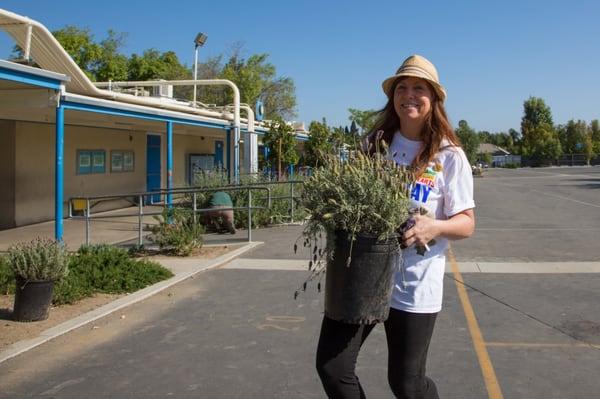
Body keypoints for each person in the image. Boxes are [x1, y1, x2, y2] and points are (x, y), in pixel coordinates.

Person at [316, 55, 475, 398]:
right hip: (363, 277)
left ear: (434, 99)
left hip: (415, 285)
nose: (409, 94)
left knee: (406, 383)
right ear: (393, 97)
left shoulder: (449, 156)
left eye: (419, 88)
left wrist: (433, 227)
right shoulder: (374, 145)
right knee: (333, 366)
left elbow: (466, 224)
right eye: (402, 87)